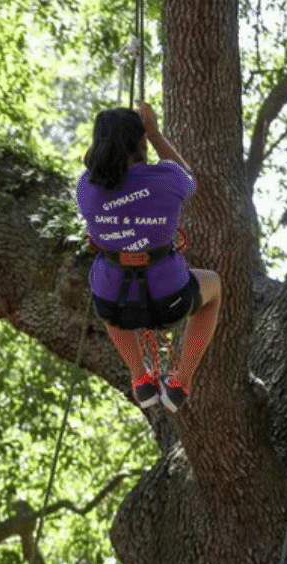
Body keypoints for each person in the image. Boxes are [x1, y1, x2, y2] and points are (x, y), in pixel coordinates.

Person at [76, 102, 223, 412]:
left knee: (105, 297)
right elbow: (188, 177)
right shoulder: (167, 179)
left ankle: (139, 377)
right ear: (139, 142)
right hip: (170, 298)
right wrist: (155, 133)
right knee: (214, 285)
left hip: (116, 304)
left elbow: (100, 178)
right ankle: (182, 381)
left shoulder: (85, 188)